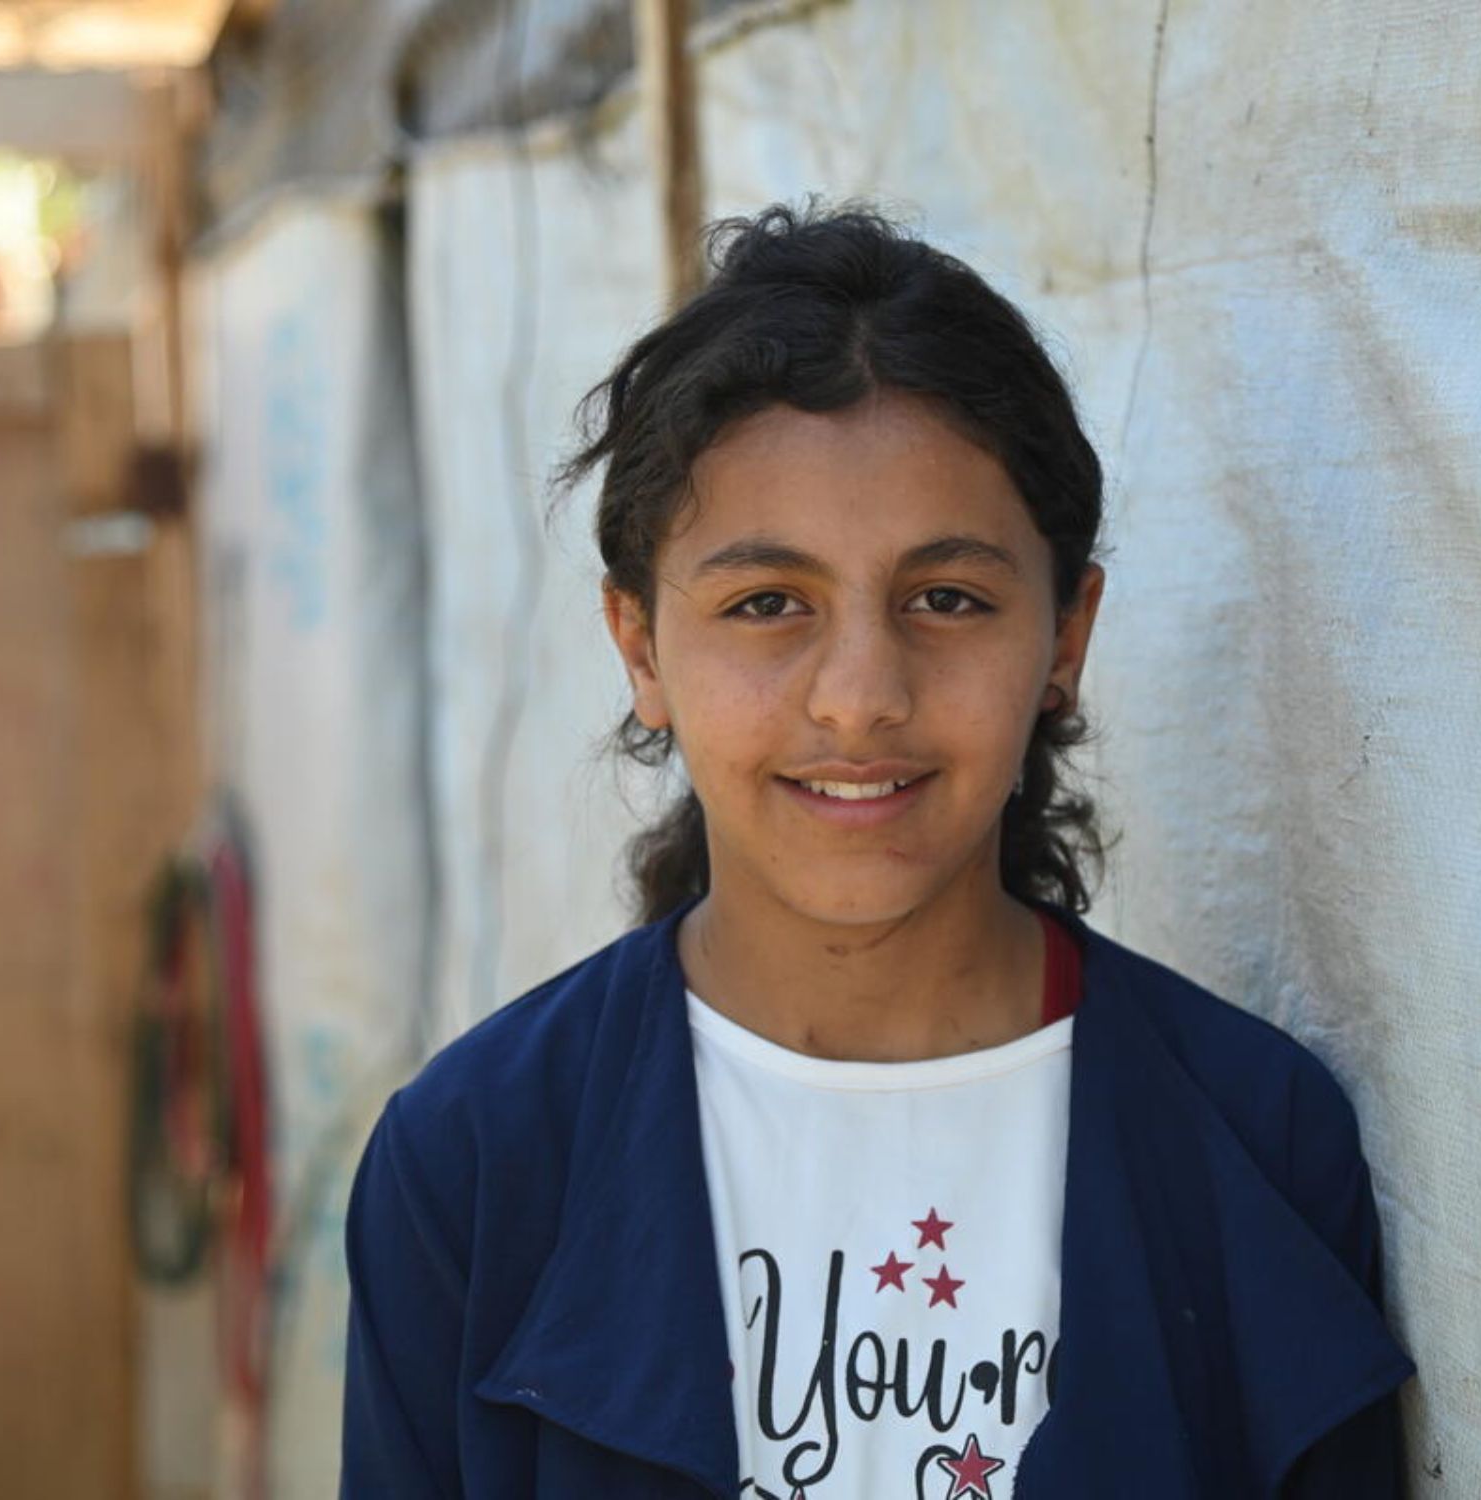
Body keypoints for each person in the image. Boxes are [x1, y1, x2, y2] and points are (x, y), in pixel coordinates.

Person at [341, 202, 1414, 1498]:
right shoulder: (477, 1159)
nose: (859, 695)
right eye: (767, 604)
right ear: (639, 648)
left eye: (946, 598)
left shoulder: (1254, 1142)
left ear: (1064, 641)